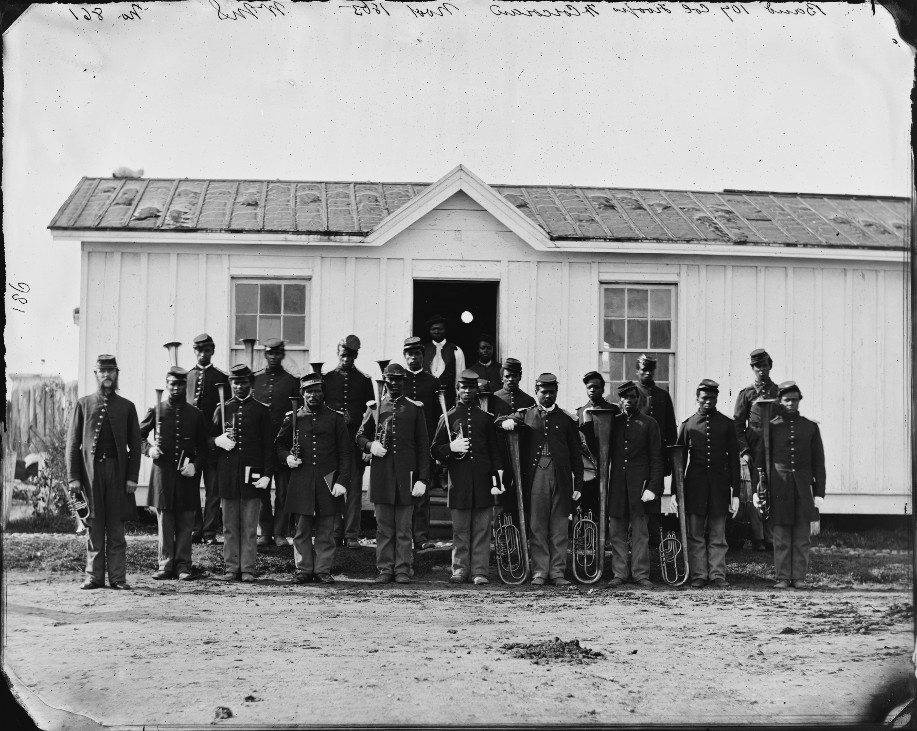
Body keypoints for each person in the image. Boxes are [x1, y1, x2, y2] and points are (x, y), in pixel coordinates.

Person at [499, 373, 583, 587]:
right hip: (536, 476)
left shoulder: (567, 419)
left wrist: (578, 485)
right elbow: (497, 421)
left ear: (556, 392)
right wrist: (508, 421)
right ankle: (539, 572)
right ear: (536, 393)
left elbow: (576, 454)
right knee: (537, 526)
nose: (547, 396)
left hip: (561, 477)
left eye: (551, 392)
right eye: (543, 392)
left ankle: (556, 573)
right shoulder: (526, 414)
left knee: (559, 526)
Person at [66, 354, 141, 590]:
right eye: (103, 371)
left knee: (116, 528)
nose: (107, 375)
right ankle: (93, 577)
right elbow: (72, 443)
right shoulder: (84, 404)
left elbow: (136, 446)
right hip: (90, 475)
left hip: (118, 475)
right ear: (96, 375)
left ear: (116, 374)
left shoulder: (127, 407)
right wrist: (74, 477)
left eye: (111, 371)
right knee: (94, 525)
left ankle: (118, 578)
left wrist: (132, 477)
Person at [357, 363, 430, 583]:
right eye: (391, 379)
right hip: (382, 476)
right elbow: (359, 436)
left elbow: (423, 446)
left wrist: (423, 479)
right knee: (384, 527)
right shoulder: (375, 407)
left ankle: (403, 569)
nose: (395, 383)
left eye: (399, 379)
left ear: (404, 381)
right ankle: (385, 568)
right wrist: (370, 446)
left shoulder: (414, 409)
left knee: (404, 527)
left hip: (406, 476)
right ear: (385, 381)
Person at [275, 372, 350, 584]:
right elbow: (279, 445)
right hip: (302, 480)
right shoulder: (293, 418)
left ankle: (323, 570)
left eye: (317, 391)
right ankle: (303, 570)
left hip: (328, 479)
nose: (313, 395)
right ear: (302, 393)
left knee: (326, 530)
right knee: (302, 529)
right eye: (309, 391)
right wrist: (288, 458)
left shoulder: (335, 418)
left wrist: (342, 480)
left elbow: (345, 452)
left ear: (323, 392)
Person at [432, 370, 503, 585]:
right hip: (459, 483)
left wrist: (497, 481)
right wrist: (450, 447)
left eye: (471, 387)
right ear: (458, 389)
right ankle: (460, 570)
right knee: (460, 530)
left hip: (482, 483)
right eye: (463, 387)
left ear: (476, 390)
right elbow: (434, 450)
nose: (467, 391)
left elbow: (495, 453)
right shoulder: (448, 417)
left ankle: (480, 571)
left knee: (482, 530)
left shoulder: (486, 418)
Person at [753, 381, 826, 590]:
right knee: (782, 536)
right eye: (787, 400)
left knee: (802, 536)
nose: (791, 404)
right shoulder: (772, 427)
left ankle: (799, 577)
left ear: (799, 400)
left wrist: (819, 491)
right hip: (779, 487)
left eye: (794, 400)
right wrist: (761, 488)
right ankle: (783, 577)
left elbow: (818, 462)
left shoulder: (810, 427)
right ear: (780, 401)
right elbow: (761, 461)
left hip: (803, 488)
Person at [140, 366, 210, 581]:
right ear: (167, 384)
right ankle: (165, 564)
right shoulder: (156, 409)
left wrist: (195, 466)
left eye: (180, 384)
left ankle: (183, 566)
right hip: (163, 476)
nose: (176, 388)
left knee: (186, 522)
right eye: (172, 383)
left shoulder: (195, 414)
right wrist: (150, 450)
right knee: (165, 521)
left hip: (186, 477)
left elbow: (205, 448)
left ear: (185, 385)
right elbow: (138, 437)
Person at [674, 379, 741, 588]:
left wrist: (736, 493)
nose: (708, 402)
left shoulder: (727, 425)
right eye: (704, 398)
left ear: (716, 399)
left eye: (712, 398)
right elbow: (679, 462)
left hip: (720, 489)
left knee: (718, 534)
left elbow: (734, 461)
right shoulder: (688, 425)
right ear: (697, 399)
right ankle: (699, 575)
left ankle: (717, 574)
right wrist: (676, 493)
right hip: (694, 488)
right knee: (695, 535)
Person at [211, 364, 274, 582]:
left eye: (244, 382)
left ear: (251, 384)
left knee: (249, 525)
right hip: (228, 476)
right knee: (229, 526)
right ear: (231, 384)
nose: (239, 386)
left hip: (253, 477)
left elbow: (268, 447)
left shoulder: (261, 410)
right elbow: (207, 443)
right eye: (235, 382)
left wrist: (267, 475)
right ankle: (231, 567)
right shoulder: (222, 409)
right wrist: (216, 441)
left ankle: (247, 567)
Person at [607, 380, 664, 588]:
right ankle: (619, 573)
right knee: (617, 533)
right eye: (625, 397)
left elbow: (657, 459)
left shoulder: (649, 424)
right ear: (619, 400)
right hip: (618, 487)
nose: (629, 401)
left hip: (641, 487)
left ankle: (641, 574)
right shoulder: (614, 423)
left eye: (633, 397)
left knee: (641, 533)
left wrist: (653, 487)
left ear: (638, 400)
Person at [323, 334, 375, 548]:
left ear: (356, 356)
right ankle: (335, 532)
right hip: (333, 442)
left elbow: (372, 414)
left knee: (353, 488)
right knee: (334, 486)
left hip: (355, 442)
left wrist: (368, 444)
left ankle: (352, 534)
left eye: (351, 356)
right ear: (338, 353)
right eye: (344, 355)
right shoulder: (327, 378)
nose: (347, 360)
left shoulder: (363, 380)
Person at [253, 338, 300, 547]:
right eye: (269, 353)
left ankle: (280, 532)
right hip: (260, 445)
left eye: (277, 353)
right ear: (265, 355)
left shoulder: (291, 381)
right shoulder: (255, 379)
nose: (273, 357)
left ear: (282, 355)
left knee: (283, 490)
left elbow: (298, 414)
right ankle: (265, 531)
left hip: (283, 445)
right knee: (261, 489)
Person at [186, 333, 230, 545]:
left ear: (212, 351)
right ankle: (196, 529)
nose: (203, 354)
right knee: (192, 489)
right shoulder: (186, 377)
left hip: (213, 444)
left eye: (206, 350)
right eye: (199, 350)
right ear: (194, 351)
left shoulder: (222, 378)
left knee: (213, 489)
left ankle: (210, 531)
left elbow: (229, 410)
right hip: (192, 446)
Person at [733, 348, 779, 552]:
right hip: (755, 451)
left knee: (774, 492)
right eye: (757, 366)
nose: (762, 369)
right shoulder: (747, 393)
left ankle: (771, 538)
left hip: (776, 451)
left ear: (770, 366)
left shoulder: (779, 392)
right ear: (753, 368)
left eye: (765, 365)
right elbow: (737, 424)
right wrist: (744, 450)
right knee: (756, 493)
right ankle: (757, 538)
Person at [402, 336, 440, 552]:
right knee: (405, 490)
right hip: (405, 443)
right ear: (405, 356)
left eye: (417, 354)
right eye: (409, 354)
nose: (413, 358)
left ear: (422, 356)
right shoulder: (400, 381)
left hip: (425, 444)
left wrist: (435, 444)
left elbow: (436, 416)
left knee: (423, 490)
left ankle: (421, 536)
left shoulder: (432, 382)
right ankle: (405, 535)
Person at [491, 358, 537, 524]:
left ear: (520, 377)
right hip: (499, 454)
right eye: (508, 375)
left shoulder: (528, 400)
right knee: (500, 494)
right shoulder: (493, 399)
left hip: (521, 455)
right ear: (502, 376)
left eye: (515, 376)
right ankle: (501, 533)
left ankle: (518, 532)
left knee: (520, 493)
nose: (511, 379)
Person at [576, 371, 620, 523]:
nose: (592, 390)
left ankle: (604, 533)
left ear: (603, 389)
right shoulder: (580, 412)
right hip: (589, 465)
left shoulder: (613, 410)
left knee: (607, 499)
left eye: (596, 387)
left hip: (608, 463)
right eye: (589, 387)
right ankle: (588, 531)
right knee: (588, 499)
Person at [422, 315, 466, 410]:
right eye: (433, 329)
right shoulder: (423, 350)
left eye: (439, 329)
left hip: (448, 398)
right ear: (430, 331)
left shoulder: (456, 350)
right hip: (428, 398)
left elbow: (460, 377)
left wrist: (459, 400)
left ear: (445, 330)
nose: (436, 331)